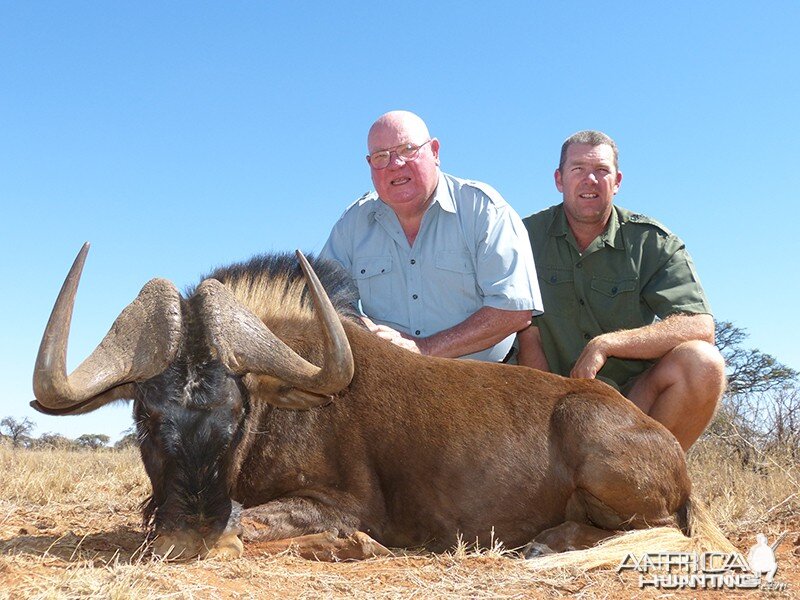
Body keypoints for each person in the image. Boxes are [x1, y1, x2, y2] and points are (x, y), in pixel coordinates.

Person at [517, 130, 725, 450]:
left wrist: (607, 344)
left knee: (703, 362)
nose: (590, 179)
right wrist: (546, 409)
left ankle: (651, 481)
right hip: (544, 405)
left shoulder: (651, 241)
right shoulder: (521, 237)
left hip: (629, 405)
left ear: (617, 181)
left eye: (602, 171)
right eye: (578, 169)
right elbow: (522, 329)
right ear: (559, 179)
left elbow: (699, 326)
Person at [321, 110, 542, 362]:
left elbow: (514, 310)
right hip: (388, 380)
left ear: (435, 151)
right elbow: (321, 298)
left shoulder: (484, 209)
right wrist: (364, 331)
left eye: (407, 150)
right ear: (370, 165)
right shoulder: (352, 224)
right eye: (382, 156)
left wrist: (425, 348)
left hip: (482, 386)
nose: (395, 164)